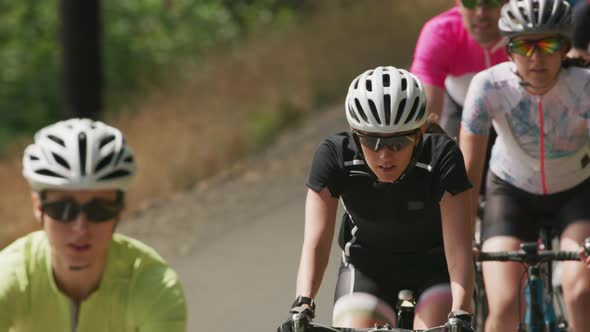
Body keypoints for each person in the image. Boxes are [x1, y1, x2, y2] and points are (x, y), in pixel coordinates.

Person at [280, 66, 475, 330]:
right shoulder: (334, 157)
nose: (384, 155)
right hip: (366, 268)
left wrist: (460, 311)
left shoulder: (442, 157)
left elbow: (460, 248)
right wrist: (303, 304)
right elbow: (316, 242)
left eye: (397, 142)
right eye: (371, 141)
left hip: (435, 266)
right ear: (354, 132)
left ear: (418, 135)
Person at [458, 0, 590, 331]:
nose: (536, 57)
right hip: (510, 193)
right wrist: (463, 238)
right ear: (508, 49)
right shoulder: (487, 87)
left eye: (548, 44)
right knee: (504, 305)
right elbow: (469, 174)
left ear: (565, 47)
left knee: (580, 291)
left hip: (577, 193)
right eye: (523, 45)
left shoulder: (586, 86)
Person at [0, 118, 187, 331]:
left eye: (99, 210)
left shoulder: (155, 287)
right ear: (38, 206)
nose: (80, 227)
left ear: (120, 210)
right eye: (63, 209)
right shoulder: (9, 275)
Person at [410, 0, 509, 139]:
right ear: (458, 4)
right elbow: (427, 109)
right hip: (459, 108)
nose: (481, 13)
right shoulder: (440, 32)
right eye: (469, 2)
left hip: (514, 109)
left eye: (490, 2)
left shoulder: (525, 31)